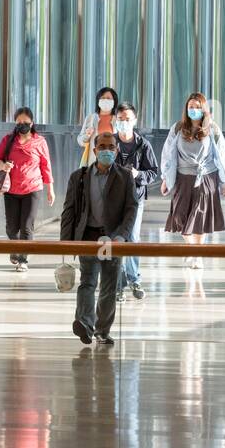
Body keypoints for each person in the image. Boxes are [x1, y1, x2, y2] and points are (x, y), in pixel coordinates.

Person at [61, 131, 137, 347]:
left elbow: (131, 209)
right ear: (94, 151)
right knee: (88, 282)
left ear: (117, 150)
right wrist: (65, 242)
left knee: (109, 286)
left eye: (111, 147)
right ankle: (85, 324)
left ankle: (102, 330)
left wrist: (121, 236)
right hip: (88, 235)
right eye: (102, 147)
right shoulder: (80, 177)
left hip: (112, 238)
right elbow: (69, 210)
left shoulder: (124, 177)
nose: (106, 150)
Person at [160, 93, 225, 269]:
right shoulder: (177, 128)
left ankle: (198, 254)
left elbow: (221, 155)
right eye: (191, 107)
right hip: (183, 178)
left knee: (200, 217)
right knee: (179, 217)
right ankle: (190, 247)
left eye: (197, 107)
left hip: (206, 178)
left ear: (204, 109)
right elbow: (168, 154)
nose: (194, 110)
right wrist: (165, 178)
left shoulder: (212, 129)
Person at [0, 107, 56, 273]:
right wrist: (3, 165)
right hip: (11, 190)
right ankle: (15, 248)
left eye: (25, 122)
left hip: (32, 189)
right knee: (11, 228)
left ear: (32, 123)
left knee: (27, 226)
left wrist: (50, 189)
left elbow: (46, 166)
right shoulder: (8, 140)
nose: (22, 125)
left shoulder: (40, 142)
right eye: (19, 123)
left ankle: (23, 259)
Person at [112, 103, 159, 301]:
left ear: (135, 121)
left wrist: (138, 174)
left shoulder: (143, 145)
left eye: (127, 119)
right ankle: (116, 283)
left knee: (132, 238)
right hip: (112, 200)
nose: (124, 123)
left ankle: (134, 279)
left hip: (135, 199)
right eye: (120, 119)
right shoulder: (109, 142)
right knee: (115, 239)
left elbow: (153, 172)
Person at [77, 87, 120, 167]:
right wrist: (87, 135)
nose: (105, 100)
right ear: (98, 101)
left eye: (108, 98)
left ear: (114, 101)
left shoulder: (118, 120)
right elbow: (80, 141)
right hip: (94, 163)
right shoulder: (90, 118)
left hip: (113, 164)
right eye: (103, 98)